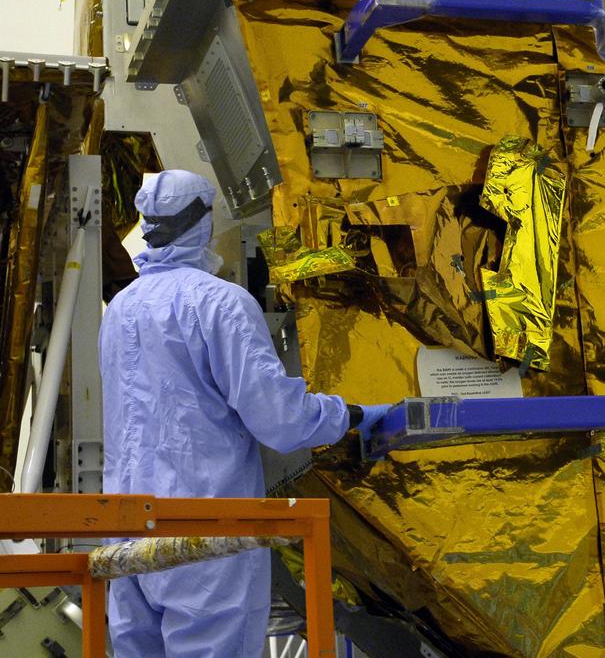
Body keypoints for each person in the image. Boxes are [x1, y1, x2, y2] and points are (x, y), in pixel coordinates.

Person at [100, 170, 392, 657]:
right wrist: (354, 414)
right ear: (204, 221)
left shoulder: (124, 309)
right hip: (204, 533)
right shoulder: (219, 304)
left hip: (129, 531)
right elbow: (281, 421)